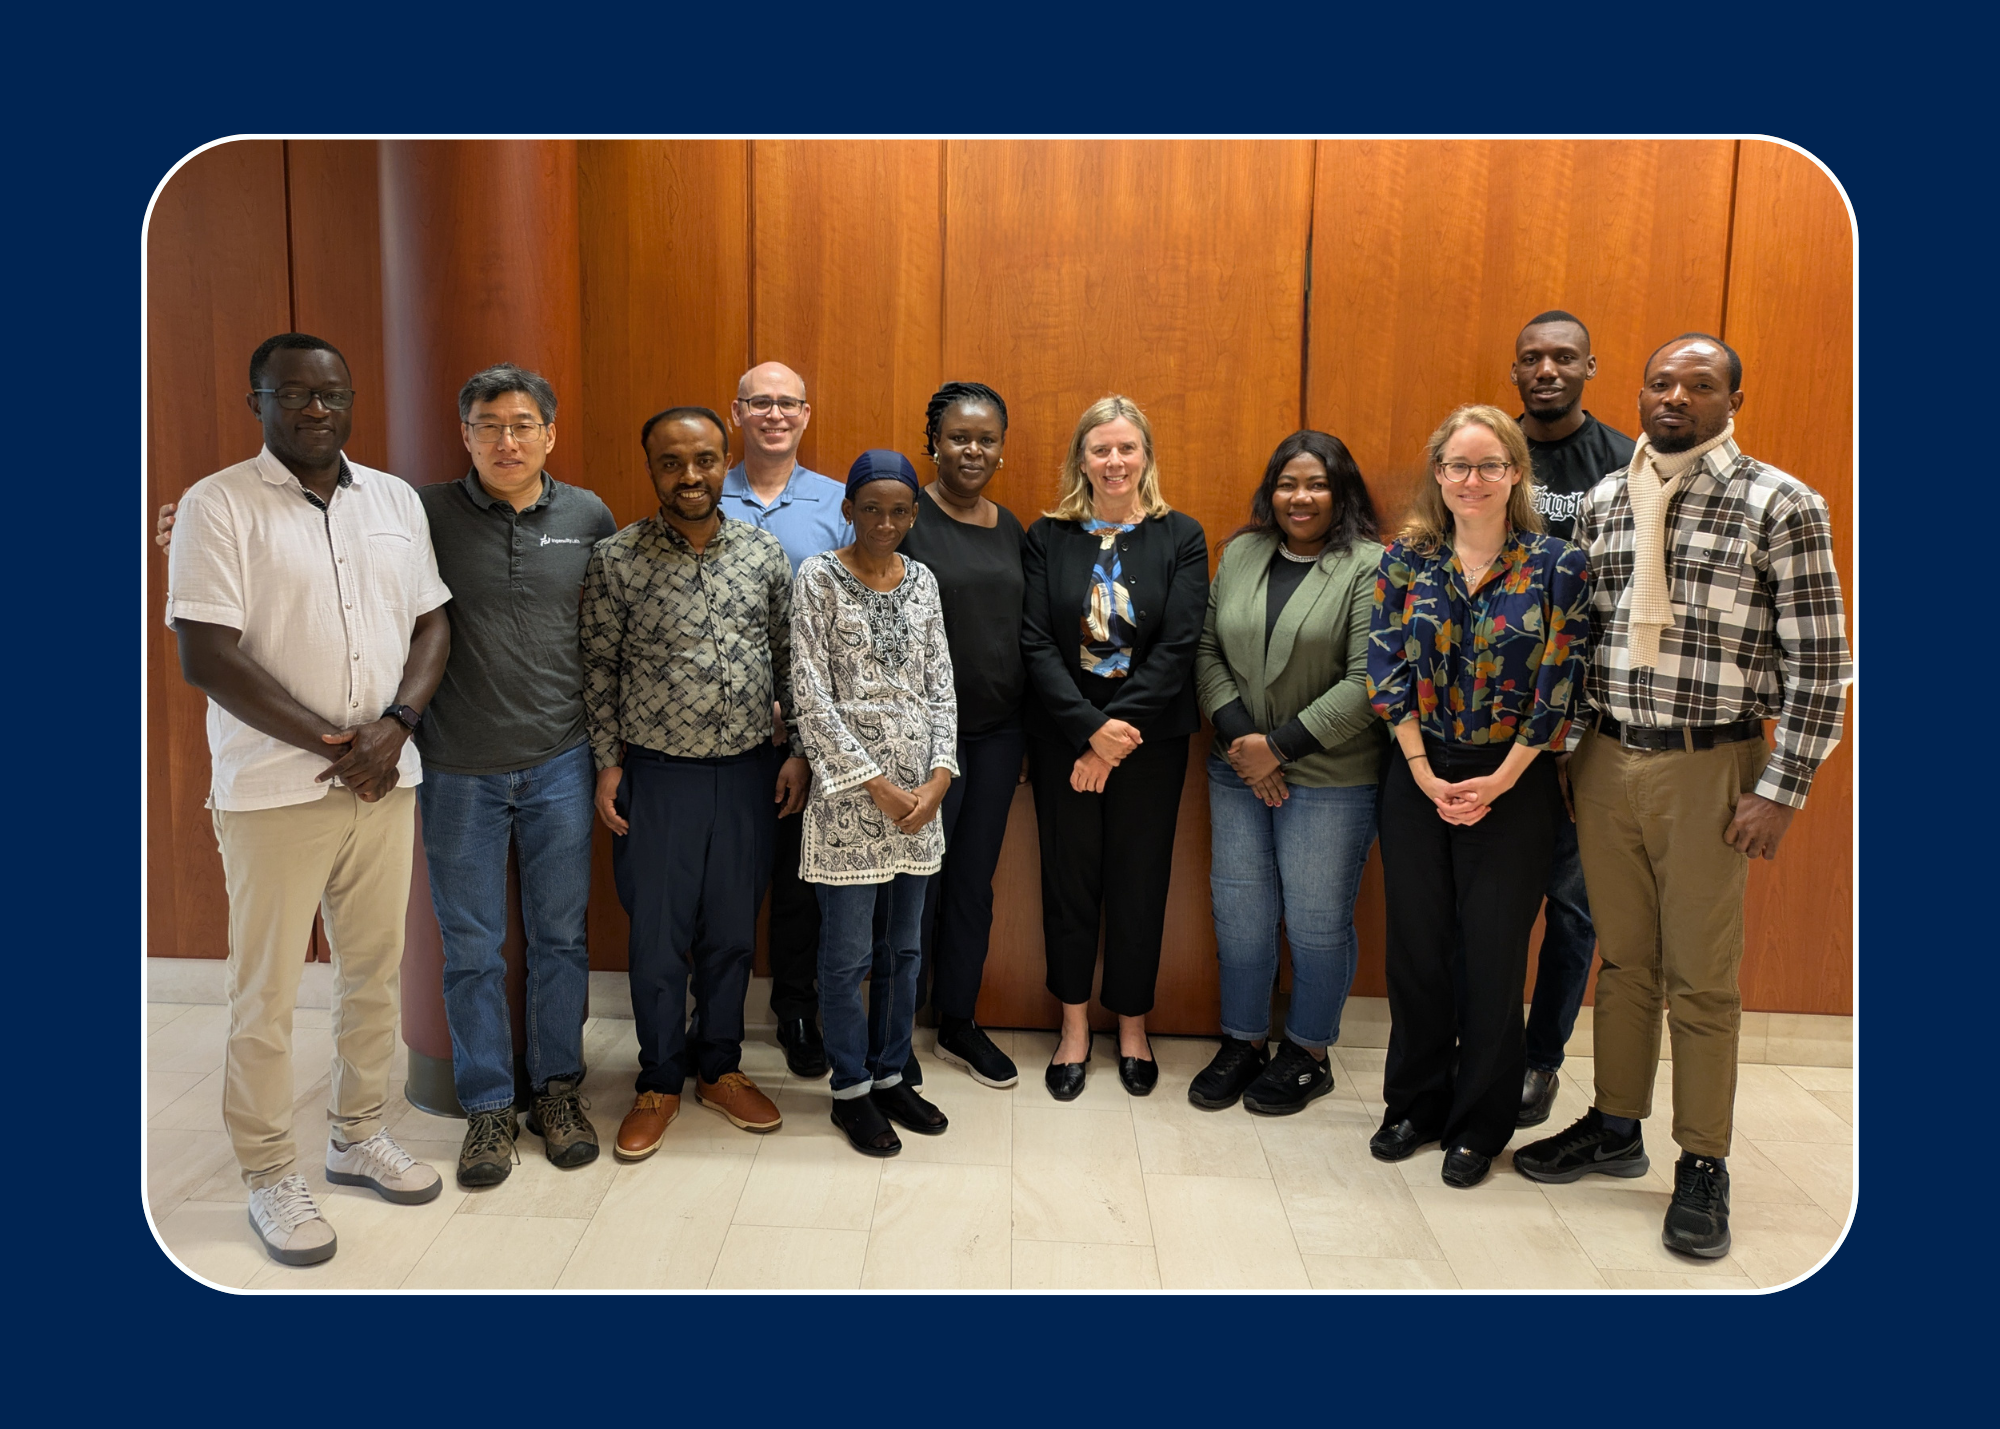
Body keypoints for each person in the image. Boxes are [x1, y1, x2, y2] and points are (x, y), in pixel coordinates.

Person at [1513, 335, 1851, 1259]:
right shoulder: (1604, 499)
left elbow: (1824, 665)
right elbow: (1579, 633)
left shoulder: (1782, 503)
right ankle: (1615, 1125)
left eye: (1699, 385)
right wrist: (1570, 752)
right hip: (1609, 758)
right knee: (1622, 961)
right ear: (1640, 392)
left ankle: (1703, 1162)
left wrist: (1781, 789)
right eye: (1662, 382)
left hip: (1713, 765)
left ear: (1734, 397)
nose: (1676, 397)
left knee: (1701, 977)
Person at [165, 333, 449, 1266]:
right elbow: (207, 654)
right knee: (269, 993)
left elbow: (432, 621)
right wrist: (341, 744)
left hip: (388, 778)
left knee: (374, 970)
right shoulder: (218, 505)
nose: (315, 407)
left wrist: (395, 727)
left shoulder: (396, 499)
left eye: (331, 392)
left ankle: (356, 1131)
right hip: (275, 790)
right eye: (293, 393)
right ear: (259, 400)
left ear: (351, 399)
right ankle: (266, 1170)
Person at [1365, 404, 1589, 1189]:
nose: (1472, 480)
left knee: (1493, 957)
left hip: (1516, 781)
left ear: (1516, 473)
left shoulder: (1559, 563)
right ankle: (1414, 1104)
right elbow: (1385, 669)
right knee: (1418, 951)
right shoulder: (1404, 560)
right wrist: (1424, 773)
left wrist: (1502, 776)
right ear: (1438, 474)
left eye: (1489, 465)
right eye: (1457, 465)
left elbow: (1561, 681)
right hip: (1417, 772)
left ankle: (1478, 1123)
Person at [581, 406, 805, 1161]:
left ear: (724, 460)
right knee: (657, 939)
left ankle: (721, 1066)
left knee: (733, 933)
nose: (690, 476)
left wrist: (798, 750)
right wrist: (609, 761)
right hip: (657, 776)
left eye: (705, 460)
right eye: (672, 462)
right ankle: (658, 1079)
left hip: (747, 775)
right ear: (650, 467)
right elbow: (599, 668)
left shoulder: (764, 554)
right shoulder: (617, 558)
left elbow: (787, 658)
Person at [413, 365, 617, 1186]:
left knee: (562, 937)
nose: (507, 439)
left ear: (550, 434)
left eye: (523, 423)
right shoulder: (421, 513)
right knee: (470, 947)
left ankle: (558, 1091)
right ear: (464, 434)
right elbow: (329, 539)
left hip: (561, 761)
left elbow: (611, 627)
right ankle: (489, 1104)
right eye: (489, 424)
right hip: (457, 765)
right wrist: (188, 520)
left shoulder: (588, 514)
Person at [1189, 431, 1386, 1115]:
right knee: (1240, 912)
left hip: (1330, 776)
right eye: (1287, 484)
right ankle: (1243, 1040)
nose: (1300, 498)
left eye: (1316, 484)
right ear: (1270, 492)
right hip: (1236, 768)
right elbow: (1207, 647)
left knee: (1316, 921)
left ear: (1342, 493)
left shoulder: (1371, 564)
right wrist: (1246, 742)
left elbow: (1369, 680)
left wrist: (1282, 747)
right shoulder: (1241, 552)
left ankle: (1307, 1051)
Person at [1020, 395, 1209, 1100]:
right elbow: (1035, 639)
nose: (1114, 461)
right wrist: (1085, 730)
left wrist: (1113, 738)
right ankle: (1073, 1026)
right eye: (1100, 448)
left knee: (1139, 884)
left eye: (1127, 448)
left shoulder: (1181, 536)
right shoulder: (1047, 535)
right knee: (1068, 885)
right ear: (1081, 459)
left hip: (1149, 744)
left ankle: (1133, 1025)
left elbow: (1179, 643)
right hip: (1064, 736)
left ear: (1147, 457)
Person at [790, 451, 958, 1156]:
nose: (884, 522)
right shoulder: (818, 578)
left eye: (898, 510)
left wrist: (940, 776)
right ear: (848, 510)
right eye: (870, 508)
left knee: (906, 948)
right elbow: (810, 694)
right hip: (851, 801)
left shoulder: (923, 580)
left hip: (921, 798)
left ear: (914, 515)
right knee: (847, 955)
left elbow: (943, 684)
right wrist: (876, 786)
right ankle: (850, 1089)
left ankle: (892, 1074)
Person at [1508, 310, 1637, 1128]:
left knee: (1574, 906)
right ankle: (1477, 1045)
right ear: (1514, 371)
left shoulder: (1628, 462)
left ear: (1592, 364)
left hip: (1585, 731)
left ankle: (1539, 1059)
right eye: (1532, 358)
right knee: (1487, 904)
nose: (1547, 369)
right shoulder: (1488, 449)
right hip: (1488, 723)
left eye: (1563, 357)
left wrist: (1578, 729)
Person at [717, 360, 854, 1082]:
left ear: (806, 414)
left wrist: (805, 727)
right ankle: (715, 1016)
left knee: (804, 883)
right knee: (727, 881)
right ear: (736, 412)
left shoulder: (838, 505)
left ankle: (797, 1007)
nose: (774, 413)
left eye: (787, 403)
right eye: (759, 402)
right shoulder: (707, 494)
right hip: (720, 737)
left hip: (815, 733)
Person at [896, 381, 1026, 1090]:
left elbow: (1025, 635)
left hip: (999, 735)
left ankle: (959, 1020)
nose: (972, 449)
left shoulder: (1012, 528)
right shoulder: (906, 518)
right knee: (915, 882)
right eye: (958, 437)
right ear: (933, 443)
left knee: (973, 884)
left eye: (986, 439)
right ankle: (898, 1023)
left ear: (1002, 448)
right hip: (922, 742)